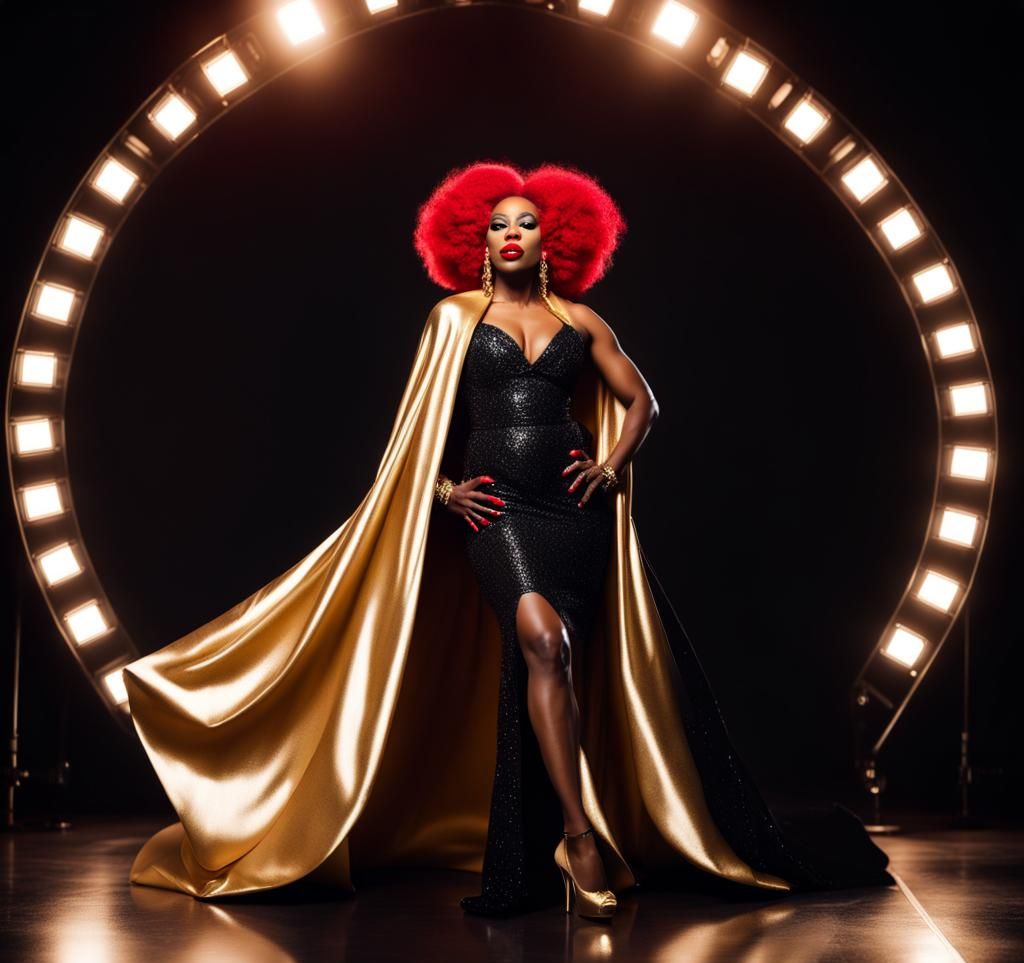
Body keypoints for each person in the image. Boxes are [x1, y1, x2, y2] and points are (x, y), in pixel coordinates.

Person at [123, 161, 891, 920]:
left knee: (555, 661)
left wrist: (610, 468)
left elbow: (641, 402)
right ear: (476, 244)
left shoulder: (581, 321)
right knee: (541, 638)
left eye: (526, 223)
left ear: (553, 240)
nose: (512, 234)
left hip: (574, 515)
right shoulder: (454, 318)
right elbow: (410, 441)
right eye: (497, 225)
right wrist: (442, 490)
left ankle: (560, 841)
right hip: (502, 517)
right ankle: (579, 838)